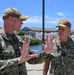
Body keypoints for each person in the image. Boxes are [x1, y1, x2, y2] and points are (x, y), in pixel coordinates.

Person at [0, 8, 55, 75]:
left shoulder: (19, 40)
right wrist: (18, 61)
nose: (22, 23)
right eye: (20, 20)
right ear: (11, 19)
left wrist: (46, 53)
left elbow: (31, 58)